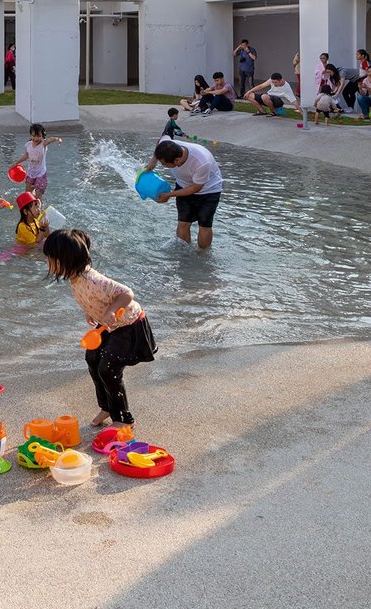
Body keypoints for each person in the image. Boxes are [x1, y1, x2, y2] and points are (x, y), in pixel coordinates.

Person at [43, 229, 157, 427]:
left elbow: (127, 293)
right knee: (93, 358)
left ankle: (123, 419)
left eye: (51, 259)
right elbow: (92, 298)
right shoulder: (75, 277)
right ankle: (107, 407)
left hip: (129, 324)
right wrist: (92, 311)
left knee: (108, 368)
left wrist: (111, 311)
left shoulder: (93, 280)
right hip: (106, 325)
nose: (48, 264)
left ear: (65, 260)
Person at [145, 139, 223, 249]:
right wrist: (153, 160)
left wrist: (169, 194)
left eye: (164, 164)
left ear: (176, 161)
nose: (162, 165)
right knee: (183, 223)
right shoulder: (168, 144)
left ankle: (203, 257)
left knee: (204, 225)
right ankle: (184, 259)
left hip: (208, 191)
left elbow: (196, 188)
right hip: (183, 185)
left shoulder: (202, 162)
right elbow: (161, 140)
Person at [12, 123, 62, 197]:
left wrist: (57, 139)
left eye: (38, 136)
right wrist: (16, 163)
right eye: (33, 135)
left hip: (41, 174)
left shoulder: (43, 143)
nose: (35, 138)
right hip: (31, 173)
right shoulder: (28, 145)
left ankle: (39, 206)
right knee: (28, 195)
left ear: (42, 136)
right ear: (30, 135)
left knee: (38, 196)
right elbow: (26, 156)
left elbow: (51, 139)